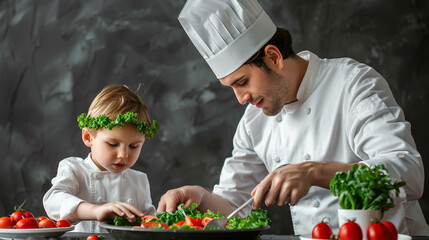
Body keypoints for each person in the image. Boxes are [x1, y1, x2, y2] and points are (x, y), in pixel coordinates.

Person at [157, 0, 429, 236]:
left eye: (242, 82)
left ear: (273, 57)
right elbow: (234, 207)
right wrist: (200, 196)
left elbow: (408, 173)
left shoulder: (353, 84)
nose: (241, 98)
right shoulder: (254, 121)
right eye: (232, 87)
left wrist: (314, 172)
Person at [43, 84, 159, 233]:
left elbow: (148, 224)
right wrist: (96, 211)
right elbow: (54, 201)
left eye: (134, 146)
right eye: (113, 144)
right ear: (88, 137)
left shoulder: (139, 180)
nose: (123, 154)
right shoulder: (74, 169)